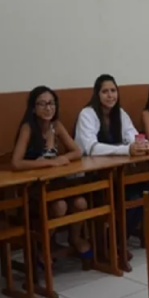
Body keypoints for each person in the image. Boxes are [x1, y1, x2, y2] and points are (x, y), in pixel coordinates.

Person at [11, 86, 90, 258]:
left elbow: (77, 151)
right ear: (33, 108)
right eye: (42, 104)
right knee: (60, 206)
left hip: (56, 183)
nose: (48, 108)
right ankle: (43, 246)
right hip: (34, 188)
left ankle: (74, 238)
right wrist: (49, 163)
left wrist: (63, 158)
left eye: (51, 103)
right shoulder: (28, 128)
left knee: (81, 203)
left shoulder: (56, 126)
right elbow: (16, 163)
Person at [75, 74, 149, 156]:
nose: (110, 95)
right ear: (97, 95)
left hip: (115, 162)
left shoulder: (120, 112)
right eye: (105, 91)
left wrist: (145, 144)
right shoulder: (86, 114)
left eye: (113, 90)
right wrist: (126, 150)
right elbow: (91, 148)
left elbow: (132, 135)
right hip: (89, 164)